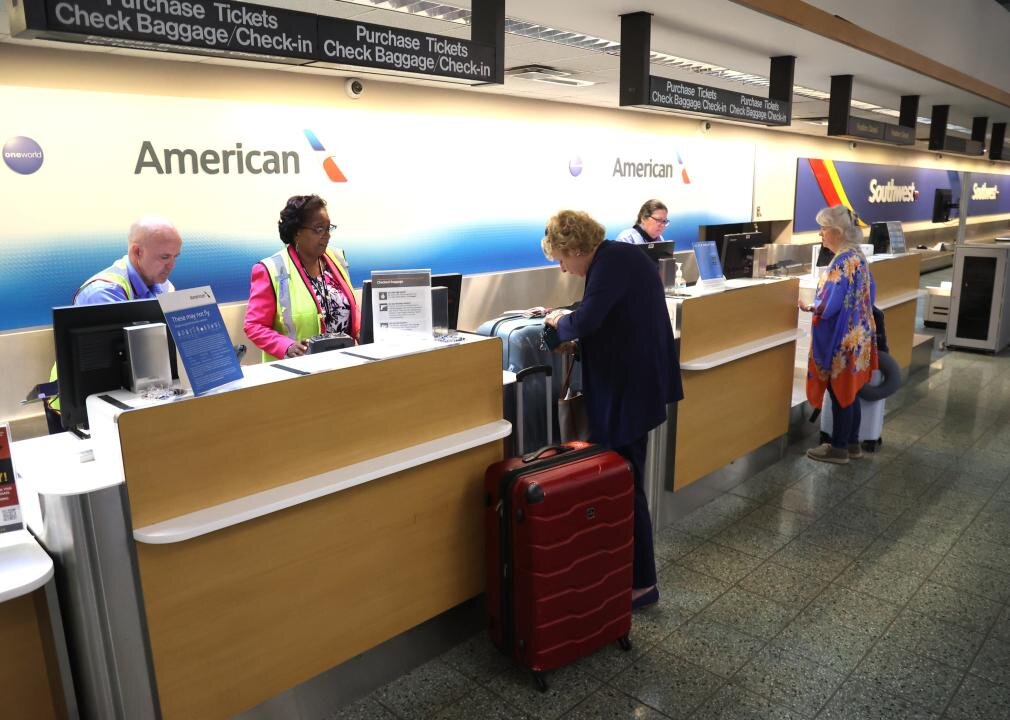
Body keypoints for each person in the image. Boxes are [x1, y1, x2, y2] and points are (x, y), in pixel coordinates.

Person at [542, 210, 683, 610]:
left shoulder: (612, 262)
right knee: (624, 477)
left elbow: (589, 319)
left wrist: (559, 320)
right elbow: (607, 312)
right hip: (636, 385)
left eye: (561, 258)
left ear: (574, 247)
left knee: (624, 480)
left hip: (629, 392)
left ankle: (642, 582)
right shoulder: (619, 258)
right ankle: (627, 571)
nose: (563, 267)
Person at [46, 216, 183, 432]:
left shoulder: (162, 285)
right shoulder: (103, 293)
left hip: (126, 401)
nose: (172, 265)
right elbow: (120, 360)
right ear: (137, 252)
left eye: (176, 256)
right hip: (82, 408)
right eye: (165, 256)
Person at [799, 205, 877, 464]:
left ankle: (839, 447)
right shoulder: (858, 256)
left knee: (839, 392)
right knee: (851, 391)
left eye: (823, 229)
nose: (820, 235)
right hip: (859, 335)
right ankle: (852, 443)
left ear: (837, 231)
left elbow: (829, 306)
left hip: (841, 339)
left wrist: (809, 306)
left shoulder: (842, 262)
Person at [244, 194, 359, 361]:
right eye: (319, 229)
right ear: (297, 232)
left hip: (344, 363)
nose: (327, 235)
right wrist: (287, 346)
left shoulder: (336, 258)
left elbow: (351, 307)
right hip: (297, 372)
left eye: (328, 228)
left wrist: (361, 330)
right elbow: (254, 326)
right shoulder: (271, 269)